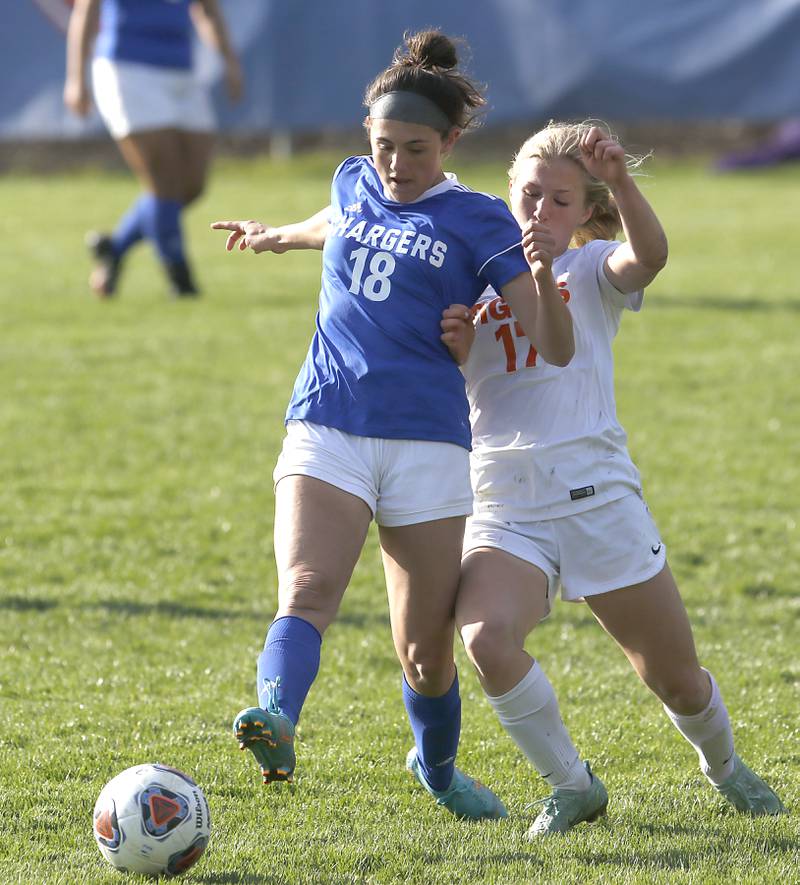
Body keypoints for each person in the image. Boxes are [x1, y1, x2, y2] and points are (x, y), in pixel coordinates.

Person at [210, 31, 574, 820]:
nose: (395, 166)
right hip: (328, 422)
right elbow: (333, 218)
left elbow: (545, 339)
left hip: (428, 443)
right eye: (382, 148)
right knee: (306, 588)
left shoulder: (479, 220)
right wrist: (276, 234)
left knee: (426, 653)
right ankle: (274, 716)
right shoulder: (353, 183)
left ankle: (438, 769)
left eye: (414, 149)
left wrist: (534, 274)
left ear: (449, 141)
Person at [441, 120, 786, 836]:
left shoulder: (591, 266)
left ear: (587, 212)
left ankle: (726, 767)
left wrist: (625, 182)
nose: (540, 211)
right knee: (485, 639)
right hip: (504, 504)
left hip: (598, 498)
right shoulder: (474, 279)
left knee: (676, 679)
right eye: (529, 194)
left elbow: (650, 256)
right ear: (507, 195)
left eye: (560, 200)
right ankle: (572, 784)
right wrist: (451, 347)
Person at [63, 0, 243, 297]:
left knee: (191, 186)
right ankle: (182, 283)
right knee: (164, 185)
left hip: (181, 71)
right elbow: (86, 10)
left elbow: (207, 10)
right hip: (127, 70)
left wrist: (229, 60)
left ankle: (115, 247)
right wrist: (76, 79)